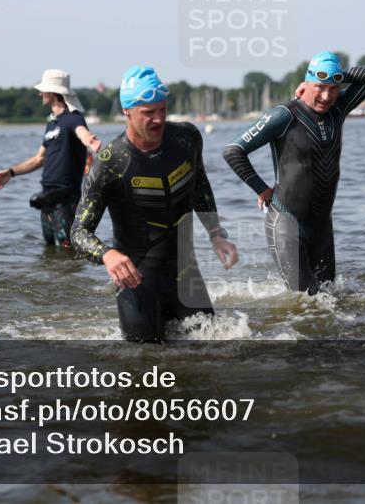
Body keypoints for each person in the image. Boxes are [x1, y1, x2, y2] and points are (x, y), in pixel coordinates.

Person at [71, 66, 239, 342]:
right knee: (144, 365)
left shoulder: (186, 138)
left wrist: (216, 234)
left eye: (163, 109)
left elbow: (200, 185)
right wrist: (107, 254)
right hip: (138, 284)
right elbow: (78, 232)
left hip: (187, 276)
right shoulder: (110, 163)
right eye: (148, 112)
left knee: (214, 356)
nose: (159, 119)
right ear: (127, 111)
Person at [222, 52, 365, 294]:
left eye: (334, 87)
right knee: (308, 300)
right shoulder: (284, 115)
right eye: (319, 86)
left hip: (322, 226)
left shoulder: (338, 109)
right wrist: (263, 189)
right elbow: (233, 151)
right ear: (306, 83)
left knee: (330, 300)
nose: (327, 96)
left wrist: (338, 75)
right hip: (286, 221)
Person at [0, 69, 101, 248]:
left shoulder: (73, 118)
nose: (39, 93)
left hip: (67, 198)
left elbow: (82, 132)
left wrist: (89, 140)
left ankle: (73, 276)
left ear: (52, 92)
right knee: (49, 249)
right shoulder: (52, 124)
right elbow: (38, 159)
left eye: (43, 90)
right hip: (48, 197)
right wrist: (11, 172)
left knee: (69, 249)